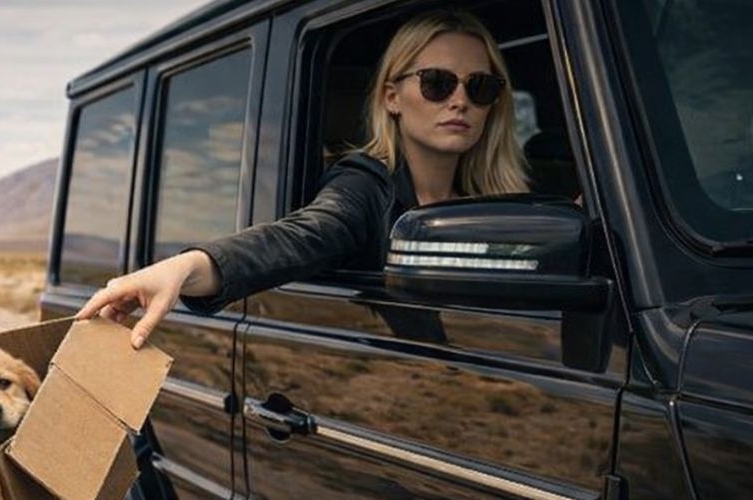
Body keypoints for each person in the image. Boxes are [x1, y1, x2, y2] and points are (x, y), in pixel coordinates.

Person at [78, 9, 529, 348]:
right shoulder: (364, 186)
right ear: (392, 96)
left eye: (480, 86)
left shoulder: (501, 204)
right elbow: (303, 235)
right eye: (437, 82)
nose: (460, 100)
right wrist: (185, 267)